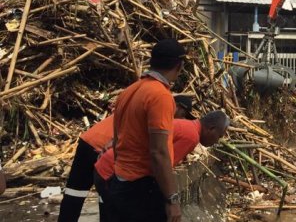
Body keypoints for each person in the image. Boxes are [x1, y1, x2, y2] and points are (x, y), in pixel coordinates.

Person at [57, 94, 194, 222]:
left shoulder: (146, 104)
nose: (182, 119)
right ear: (178, 107)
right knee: (108, 199)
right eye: (184, 115)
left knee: (74, 192)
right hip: (105, 149)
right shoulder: (161, 114)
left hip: (88, 140)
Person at [94, 111, 229, 222]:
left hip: (110, 165)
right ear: (211, 128)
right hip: (115, 171)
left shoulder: (185, 125)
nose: (217, 140)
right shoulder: (191, 136)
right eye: (219, 136)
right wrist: (171, 200)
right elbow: (161, 167)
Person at [106, 38, 187, 222]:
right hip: (142, 188)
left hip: (120, 182)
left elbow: (117, 140)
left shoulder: (130, 91)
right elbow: (158, 152)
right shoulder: (160, 96)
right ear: (179, 66)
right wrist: (172, 199)